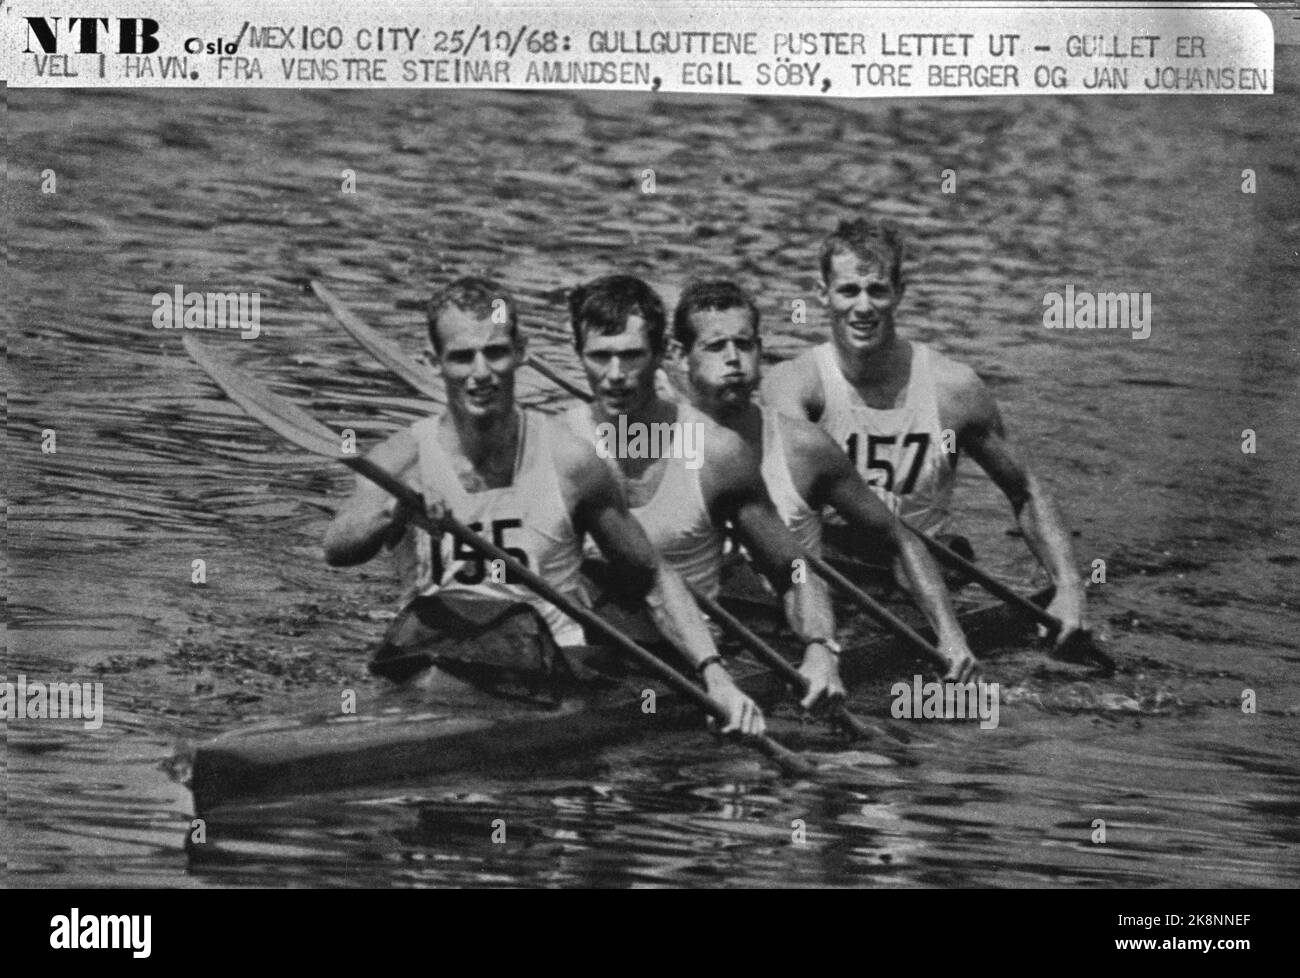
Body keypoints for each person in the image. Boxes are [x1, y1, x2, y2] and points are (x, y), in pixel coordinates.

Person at [323, 276, 766, 735]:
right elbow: (337, 548)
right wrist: (394, 511)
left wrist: (716, 675)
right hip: (432, 661)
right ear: (433, 363)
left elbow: (651, 575)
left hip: (544, 675)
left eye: (495, 352)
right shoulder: (401, 459)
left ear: (520, 352)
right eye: (461, 357)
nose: (481, 373)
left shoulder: (571, 459)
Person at [765, 219, 1087, 648]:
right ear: (822, 293)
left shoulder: (953, 389)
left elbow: (1025, 490)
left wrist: (1068, 588)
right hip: (828, 560)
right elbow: (783, 506)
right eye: (848, 291)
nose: (863, 307)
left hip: (918, 567)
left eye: (877, 290)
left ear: (899, 292)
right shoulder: (794, 385)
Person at [671, 279, 980, 681]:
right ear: (681, 357)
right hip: (695, 632)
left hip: (789, 632)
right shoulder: (651, 443)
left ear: (760, 350)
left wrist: (950, 636)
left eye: (744, 345)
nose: (733, 359)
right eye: (715, 347)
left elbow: (900, 539)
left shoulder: (804, 447)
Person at [560, 275, 843, 709]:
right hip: (584, 660)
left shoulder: (716, 453)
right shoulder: (559, 444)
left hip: (689, 664)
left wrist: (821, 648)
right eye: (600, 357)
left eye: (632, 356)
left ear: (660, 356)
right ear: (579, 355)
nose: (615, 376)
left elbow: (795, 570)